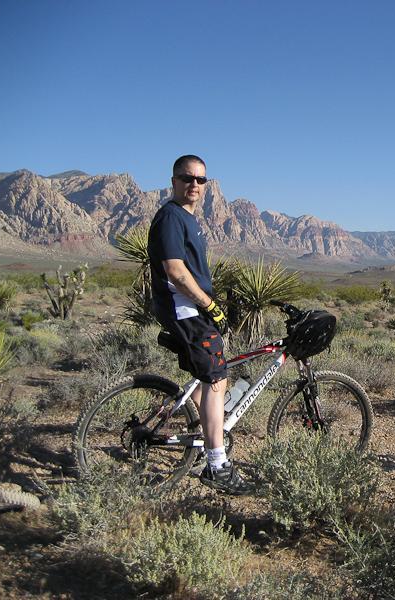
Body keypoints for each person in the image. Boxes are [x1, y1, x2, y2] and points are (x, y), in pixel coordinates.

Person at [148, 154, 250, 494]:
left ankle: (195, 424)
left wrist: (212, 306)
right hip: (185, 312)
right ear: (173, 181)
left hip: (194, 311)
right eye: (187, 178)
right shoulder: (171, 218)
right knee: (216, 378)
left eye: (200, 180)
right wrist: (209, 305)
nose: (194, 184)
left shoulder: (189, 220)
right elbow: (175, 271)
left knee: (213, 373)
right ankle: (217, 464)